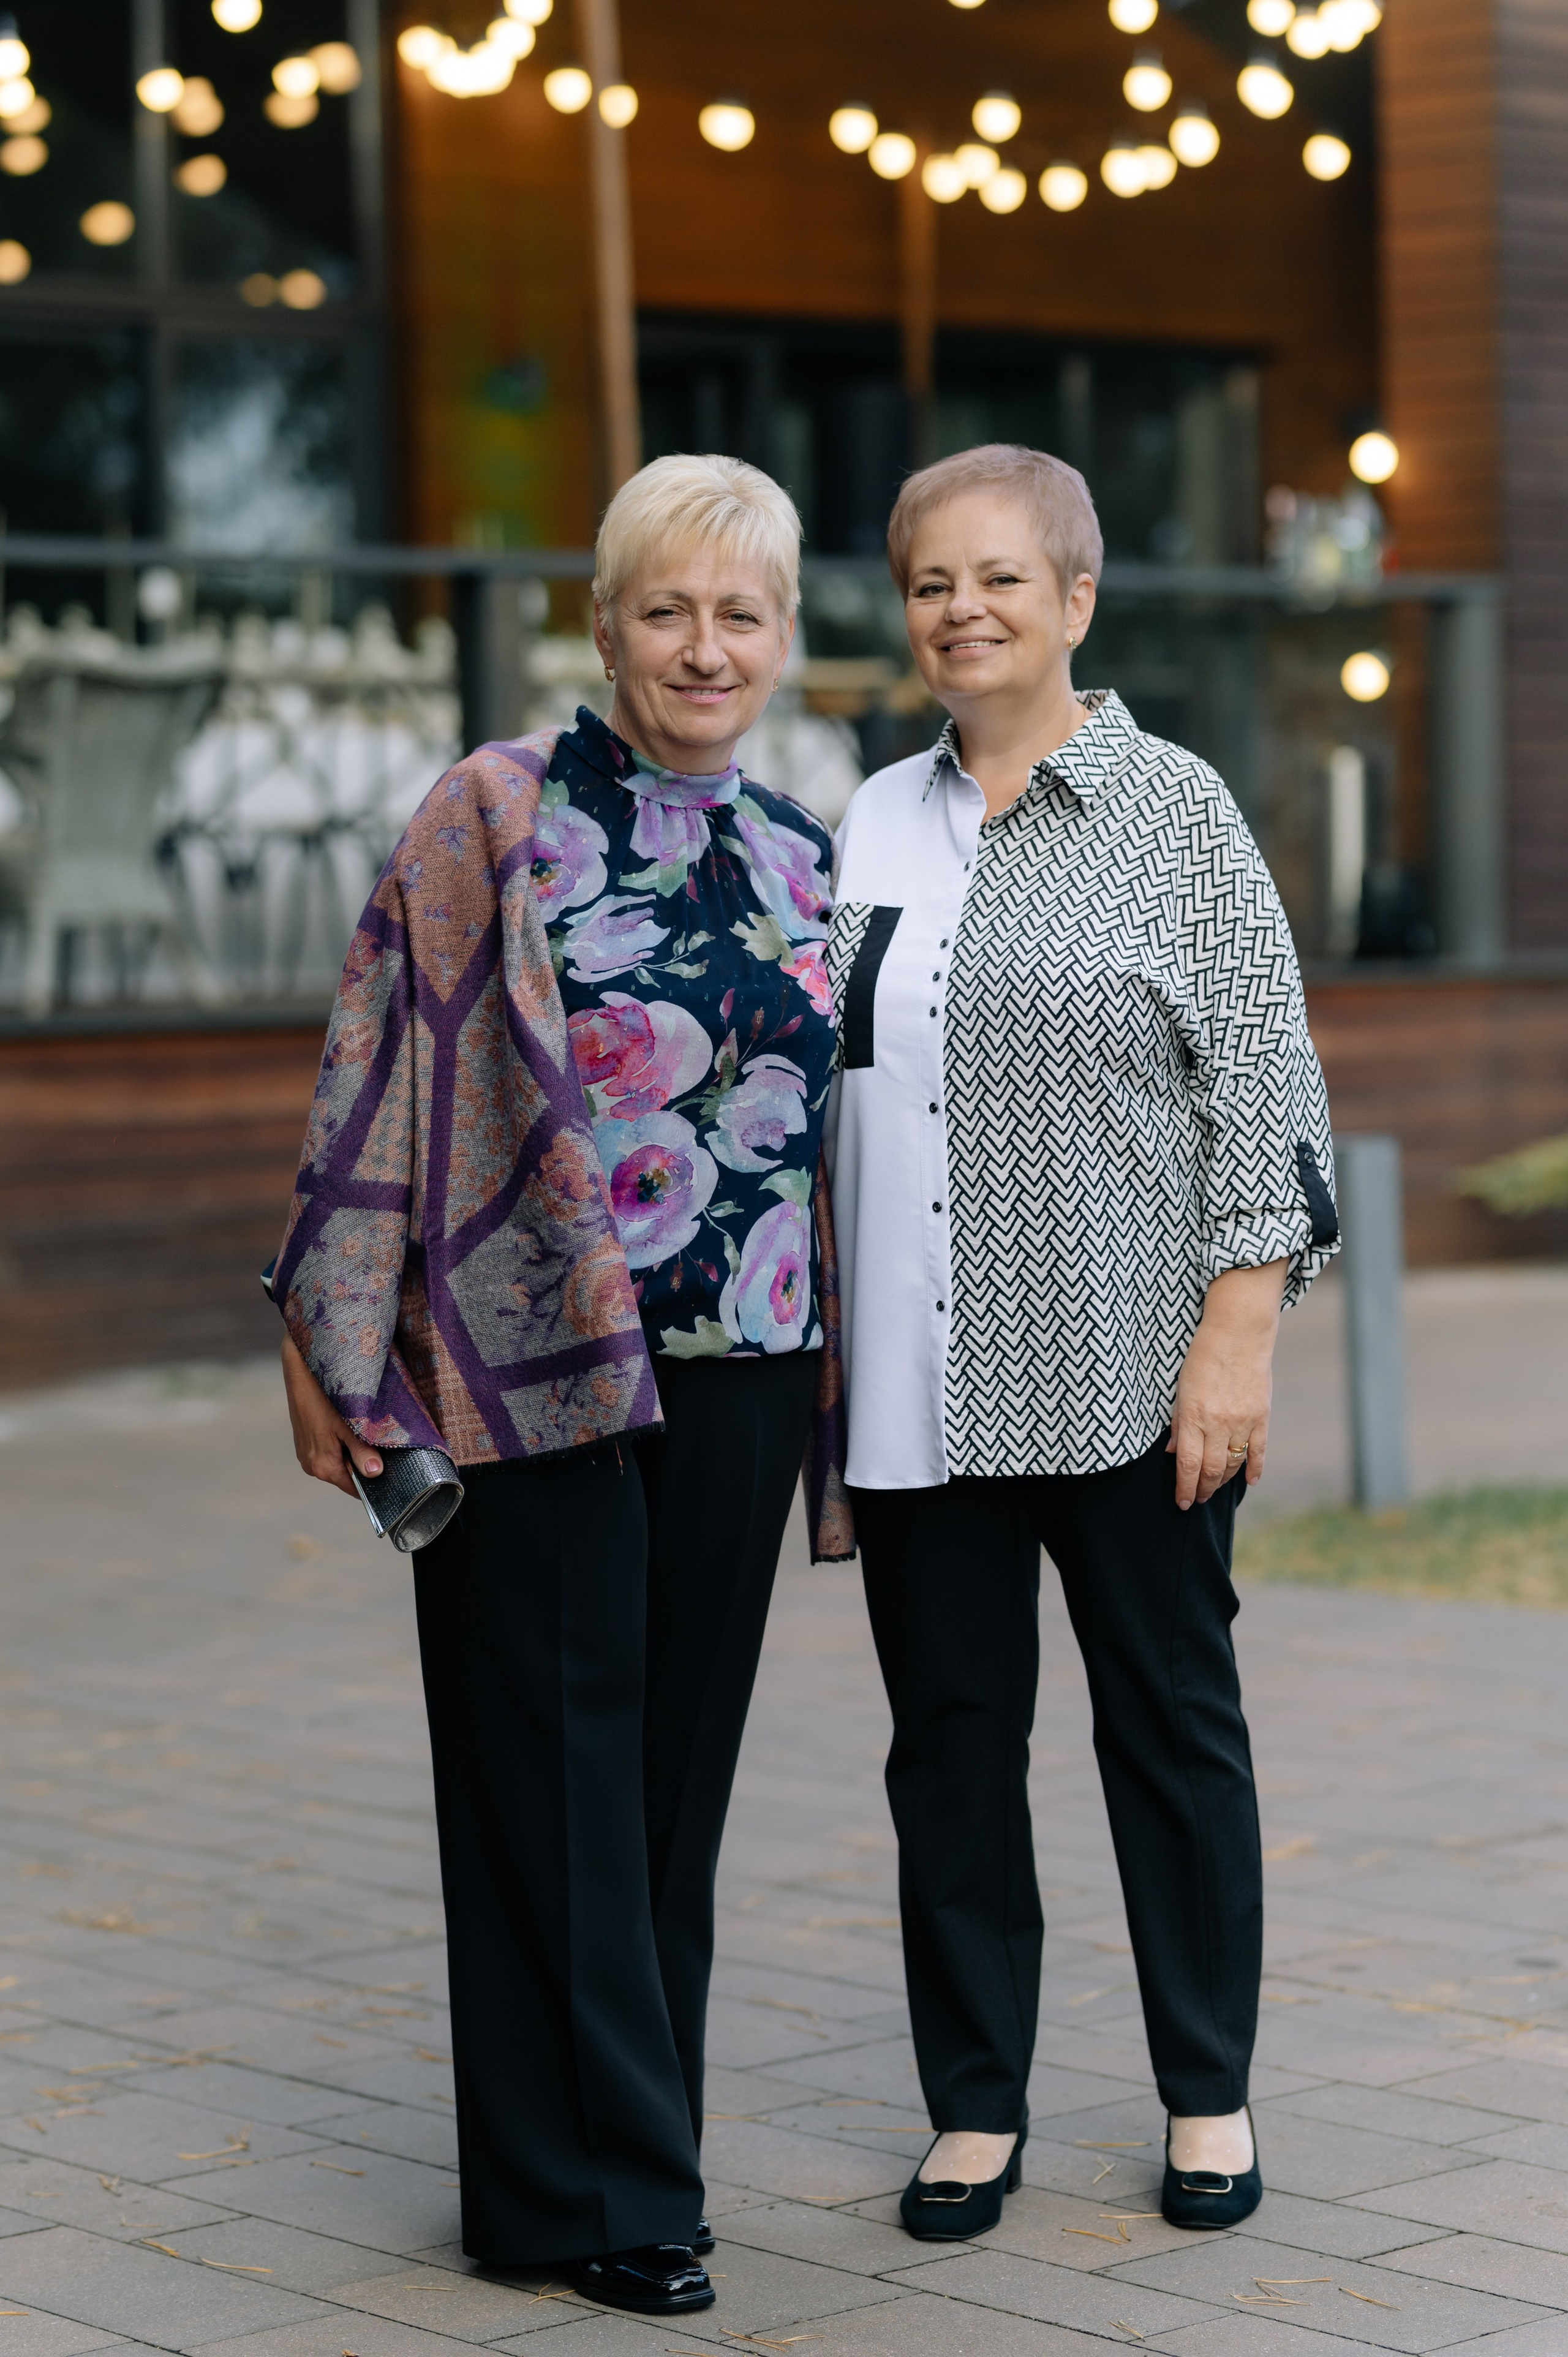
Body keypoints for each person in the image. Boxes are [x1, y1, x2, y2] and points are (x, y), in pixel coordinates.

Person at [274, 454, 845, 2315]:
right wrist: (330, 1338)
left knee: (667, 1787)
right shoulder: (495, 811)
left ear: (781, 642)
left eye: (739, 613)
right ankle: (622, 2194)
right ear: (601, 624)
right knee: (544, 1775)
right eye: (665, 608)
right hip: (528, 1366)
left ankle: (574, 2173)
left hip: (745, 1366)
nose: (704, 645)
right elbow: (374, 1054)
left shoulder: (800, 851)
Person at [824, 443, 1339, 2239]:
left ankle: (1208, 2089)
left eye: (998, 581)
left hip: (1134, 1376)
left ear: (1077, 600)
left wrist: (1241, 1338)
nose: (962, 613)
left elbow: (1268, 1090)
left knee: (1172, 1736)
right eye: (929, 584)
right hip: (916, 1376)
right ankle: (975, 2103)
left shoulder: (1177, 811)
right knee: (948, 1748)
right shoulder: (864, 823)